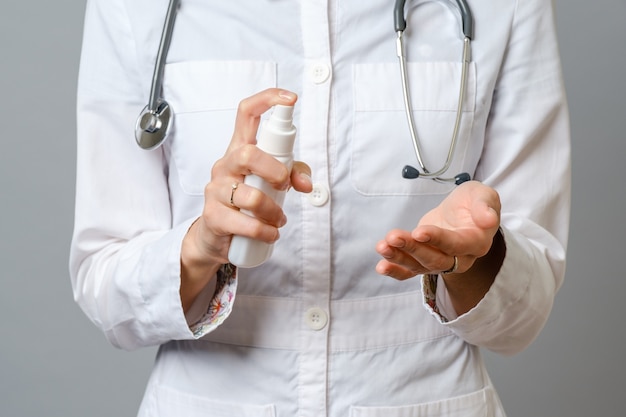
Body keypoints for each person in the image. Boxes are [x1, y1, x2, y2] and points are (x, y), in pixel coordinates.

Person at [70, 0, 571, 416]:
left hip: (426, 395)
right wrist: (199, 248)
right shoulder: (135, 9)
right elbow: (105, 288)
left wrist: (473, 256)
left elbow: (523, 317)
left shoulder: (507, 7)